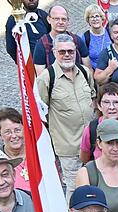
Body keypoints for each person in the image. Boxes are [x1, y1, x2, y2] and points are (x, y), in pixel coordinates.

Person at [35, 33, 97, 197]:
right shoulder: (46, 78)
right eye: (62, 52)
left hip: (92, 143)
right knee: (74, 189)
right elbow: (40, 114)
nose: (67, 55)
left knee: (94, 185)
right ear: (54, 52)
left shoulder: (85, 72)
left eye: (70, 51)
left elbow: (93, 98)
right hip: (69, 146)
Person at [33, 5, 91, 76]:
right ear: (49, 19)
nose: (60, 22)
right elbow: (40, 76)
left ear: (68, 21)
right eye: (56, 19)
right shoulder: (42, 45)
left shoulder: (77, 40)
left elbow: (88, 69)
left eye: (64, 19)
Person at [0, 109, 30, 192]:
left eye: (17, 130)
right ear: (0, 135)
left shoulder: (38, 153)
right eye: (7, 132)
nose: (14, 136)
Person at [81, 4, 112, 70]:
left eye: (97, 16)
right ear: (88, 20)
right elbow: (84, 59)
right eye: (92, 17)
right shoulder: (85, 37)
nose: (95, 19)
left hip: (112, 70)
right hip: (94, 73)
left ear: (102, 18)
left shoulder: (110, 33)